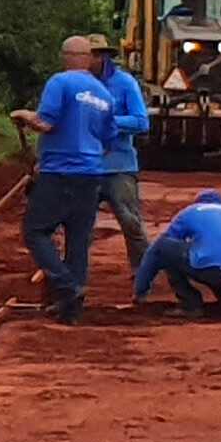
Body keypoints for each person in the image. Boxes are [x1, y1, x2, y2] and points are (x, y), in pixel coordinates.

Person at [10, 36, 122, 323]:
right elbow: (109, 141)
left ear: (65, 56)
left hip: (60, 172)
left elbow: (45, 122)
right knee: (79, 241)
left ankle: (66, 286)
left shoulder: (60, 83)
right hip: (91, 174)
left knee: (35, 231)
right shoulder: (104, 95)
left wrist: (23, 115)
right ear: (88, 58)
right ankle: (71, 310)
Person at [134, 187, 221, 318]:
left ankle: (190, 303)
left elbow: (157, 249)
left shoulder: (191, 211)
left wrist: (140, 290)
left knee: (166, 248)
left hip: (207, 267)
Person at [94, 44, 154, 280]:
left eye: (94, 55)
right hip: (86, 165)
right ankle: (72, 274)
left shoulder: (125, 83)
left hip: (119, 165)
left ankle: (143, 272)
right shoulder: (75, 84)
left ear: (104, 58)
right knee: (80, 225)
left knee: (131, 222)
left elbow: (141, 122)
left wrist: (108, 121)